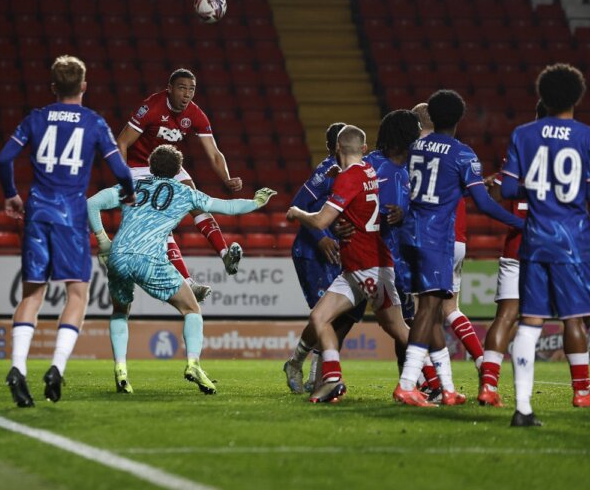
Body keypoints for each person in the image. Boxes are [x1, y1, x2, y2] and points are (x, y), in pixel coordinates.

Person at [0, 55, 135, 407]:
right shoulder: (93, 123)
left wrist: (11, 194)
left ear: (54, 87)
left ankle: (17, 367)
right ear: (84, 86)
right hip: (70, 217)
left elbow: (3, 158)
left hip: (37, 212)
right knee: (77, 294)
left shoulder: (36, 119)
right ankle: (57, 367)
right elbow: (120, 169)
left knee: (32, 295)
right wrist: (129, 192)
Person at [87, 144, 276, 394]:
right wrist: (257, 202)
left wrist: (103, 242)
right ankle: (193, 364)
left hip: (119, 258)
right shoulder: (184, 193)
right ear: (178, 171)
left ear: (151, 167)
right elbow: (228, 208)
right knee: (191, 308)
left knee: (120, 312)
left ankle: (121, 370)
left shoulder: (131, 186)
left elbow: (91, 203)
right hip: (150, 260)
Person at [393, 90, 524, 407]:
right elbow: (484, 203)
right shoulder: (463, 154)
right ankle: (408, 383)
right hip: (437, 237)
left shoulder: (412, 148)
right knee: (430, 309)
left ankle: (447, 387)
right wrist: (521, 223)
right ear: (459, 119)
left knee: (434, 310)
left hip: (408, 234)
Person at [286, 125, 414, 404]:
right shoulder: (368, 170)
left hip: (369, 265)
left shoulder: (350, 177)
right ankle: (331, 379)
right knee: (320, 318)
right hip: (354, 266)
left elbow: (320, 220)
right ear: (365, 150)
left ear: (336, 150)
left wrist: (297, 213)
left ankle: (436, 375)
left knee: (396, 327)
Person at [500, 63, 590, 426]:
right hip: (572, 240)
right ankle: (582, 392)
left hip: (534, 239)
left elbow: (507, 190)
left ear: (542, 96)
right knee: (574, 318)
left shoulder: (523, 134)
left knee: (530, 322)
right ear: (577, 97)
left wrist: (534, 190)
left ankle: (522, 408)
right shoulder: (586, 136)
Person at [115, 68, 243, 300]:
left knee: (195, 200)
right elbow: (122, 142)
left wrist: (226, 178)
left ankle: (225, 254)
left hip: (168, 164)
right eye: (182, 88)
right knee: (162, 222)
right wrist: (125, 182)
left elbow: (214, 154)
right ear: (170, 89)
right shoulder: (151, 107)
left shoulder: (195, 114)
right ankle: (187, 281)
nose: (187, 94)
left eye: (192, 89)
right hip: (139, 167)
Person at [478, 100, 547, 407]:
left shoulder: (520, 147)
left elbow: (496, 193)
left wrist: (493, 185)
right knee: (576, 319)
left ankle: (488, 386)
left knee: (505, 316)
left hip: (517, 244)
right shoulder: (574, 145)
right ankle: (582, 390)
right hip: (555, 245)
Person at [412, 103, 484, 372]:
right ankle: (482, 361)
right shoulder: (458, 150)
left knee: (422, 311)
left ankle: (428, 379)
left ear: (418, 124)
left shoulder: (414, 151)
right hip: (458, 238)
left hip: (429, 238)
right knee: (450, 308)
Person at [282, 122, 350, 394]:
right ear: (334, 147)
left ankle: (309, 371)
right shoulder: (325, 172)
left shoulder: (355, 171)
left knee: (334, 317)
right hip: (311, 252)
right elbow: (297, 205)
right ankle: (303, 368)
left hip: (337, 253)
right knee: (325, 316)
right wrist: (321, 236)